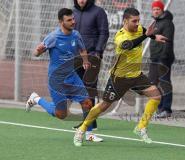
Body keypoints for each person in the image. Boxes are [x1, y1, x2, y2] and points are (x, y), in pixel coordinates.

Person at [73, 7, 168, 147]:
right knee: (104, 105)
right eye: (134, 21)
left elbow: (145, 31)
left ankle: (141, 127)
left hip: (136, 76)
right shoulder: (120, 36)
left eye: (138, 21)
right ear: (125, 21)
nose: (137, 24)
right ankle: (82, 129)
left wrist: (154, 36)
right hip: (119, 79)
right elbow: (128, 45)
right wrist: (146, 36)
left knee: (156, 96)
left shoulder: (139, 29)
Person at [25, 8, 96, 138]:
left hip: (72, 77)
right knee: (61, 114)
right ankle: (36, 99)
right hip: (57, 81)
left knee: (87, 103)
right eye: (69, 20)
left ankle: (89, 134)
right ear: (61, 22)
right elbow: (36, 53)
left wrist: (85, 61)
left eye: (73, 19)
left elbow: (82, 49)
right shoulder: (53, 37)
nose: (73, 22)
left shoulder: (76, 35)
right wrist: (39, 51)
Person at [72, 0, 109, 138]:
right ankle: (87, 122)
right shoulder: (73, 13)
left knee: (89, 90)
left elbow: (104, 33)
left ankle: (88, 126)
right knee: (79, 90)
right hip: (75, 57)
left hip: (92, 56)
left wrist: (98, 52)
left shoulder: (98, 12)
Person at [148, 0, 175, 118]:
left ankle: (166, 109)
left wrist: (164, 57)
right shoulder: (155, 23)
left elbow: (167, 41)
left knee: (164, 83)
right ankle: (158, 108)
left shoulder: (167, 23)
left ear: (162, 10)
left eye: (158, 9)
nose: (155, 11)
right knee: (154, 84)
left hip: (163, 58)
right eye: (154, 9)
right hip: (154, 58)